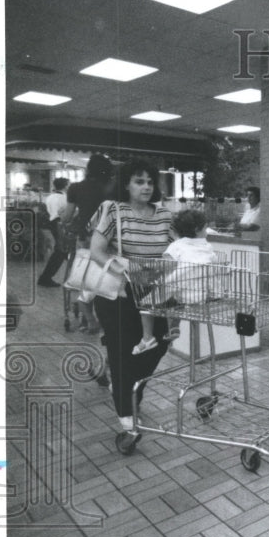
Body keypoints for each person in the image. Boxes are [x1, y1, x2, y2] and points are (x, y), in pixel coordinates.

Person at [90, 159, 174, 439]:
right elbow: (97, 252)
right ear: (126, 184)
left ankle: (128, 385)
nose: (146, 187)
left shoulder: (164, 215)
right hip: (120, 294)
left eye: (150, 181)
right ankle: (127, 417)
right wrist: (126, 271)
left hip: (154, 295)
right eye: (139, 181)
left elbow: (174, 251)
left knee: (159, 342)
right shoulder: (113, 210)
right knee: (122, 351)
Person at [133, 209, 218, 355]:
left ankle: (147, 338)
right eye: (205, 227)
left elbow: (168, 265)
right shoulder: (206, 246)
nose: (207, 231)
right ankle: (174, 326)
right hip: (201, 294)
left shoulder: (177, 245)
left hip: (180, 290)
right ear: (198, 230)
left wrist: (148, 266)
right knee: (175, 301)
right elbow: (214, 263)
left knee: (146, 304)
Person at [58, 155, 116, 333]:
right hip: (110, 240)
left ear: (88, 169)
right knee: (107, 278)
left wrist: (63, 215)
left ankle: (88, 319)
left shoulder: (76, 188)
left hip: (85, 238)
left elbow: (67, 217)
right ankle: (105, 318)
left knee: (85, 277)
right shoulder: (112, 187)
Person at [36, 177, 70, 287]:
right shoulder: (63, 198)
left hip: (52, 223)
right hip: (59, 224)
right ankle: (45, 278)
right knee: (61, 252)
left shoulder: (50, 197)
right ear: (65, 186)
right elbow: (61, 214)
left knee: (62, 252)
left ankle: (46, 277)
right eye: (68, 184)